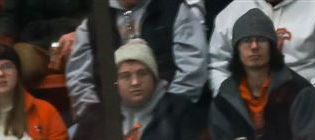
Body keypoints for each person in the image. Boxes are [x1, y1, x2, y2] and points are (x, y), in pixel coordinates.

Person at [66, 39, 203, 140]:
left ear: (154, 77)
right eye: (125, 76)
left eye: (142, 73)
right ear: (115, 82)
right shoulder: (96, 116)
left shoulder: (179, 110)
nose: (135, 82)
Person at [207, 8, 315, 140]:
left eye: (261, 39)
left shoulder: (299, 91)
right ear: (236, 49)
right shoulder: (224, 98)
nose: (254, 46)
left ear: (272, 46)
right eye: (246, 40)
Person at [65, 0, 208, 120]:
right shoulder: (93, 22)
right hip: (110, 121)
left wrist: (168, 113)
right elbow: (79, 80)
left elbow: (192, 70)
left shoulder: (175, 9)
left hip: (170, 118)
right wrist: (98, 118)